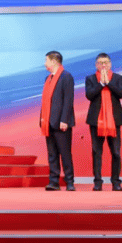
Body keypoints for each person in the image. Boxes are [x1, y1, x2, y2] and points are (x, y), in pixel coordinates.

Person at [84, 53, 122, 191]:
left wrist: (109, 83)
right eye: (100, 63)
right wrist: (101, 83)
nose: (103, 65)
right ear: (96, 65)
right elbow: (89, 95)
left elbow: (121, 94)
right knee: (97, 152)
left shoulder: (117, 78)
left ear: (110, 64)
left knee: (116, 152)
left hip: (114, 119)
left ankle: (116, 182)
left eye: (106, 62)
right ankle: (97, 182)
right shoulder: (90, 79)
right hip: (96, 120)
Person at [40, 51, 75, 191]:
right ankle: (54, 181)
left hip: (61, 122)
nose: (45, 63)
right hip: (48, 121)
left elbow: (68, 100)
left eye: (46, 60)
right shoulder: (48, 78)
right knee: (52, 154)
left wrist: (64, 119)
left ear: (54, 61)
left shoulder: (66, 76)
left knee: (65, 153)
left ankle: (70, 181)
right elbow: (45, 101)